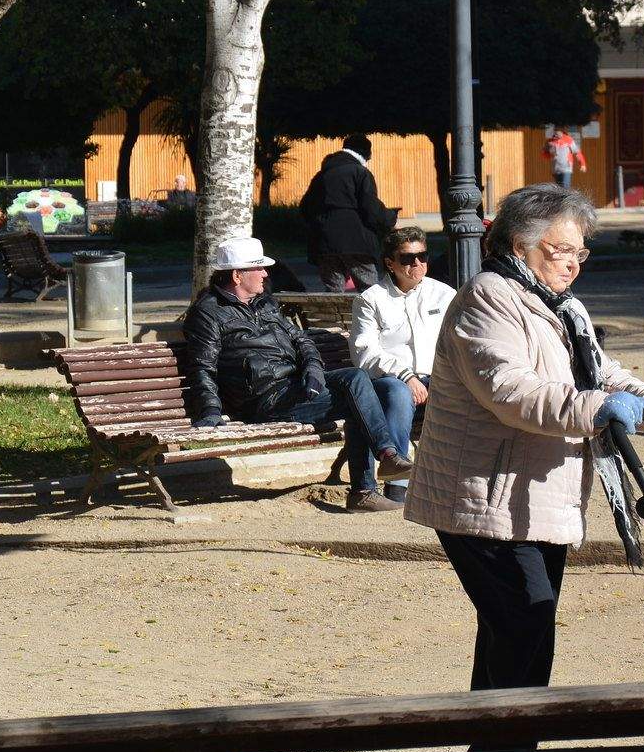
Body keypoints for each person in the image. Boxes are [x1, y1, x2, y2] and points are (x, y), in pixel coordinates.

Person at [405, 184, 644, 691]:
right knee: (524, 625)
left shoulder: (560, 305)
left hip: (536, 495)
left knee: (515, 630)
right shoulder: (488, 297)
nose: (574, 263)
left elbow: (598, 372)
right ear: (519, 245)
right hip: (483, 497)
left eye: (580, 251)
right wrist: (601, 408)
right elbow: (509, 390)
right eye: (561, 250)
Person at [185, 236, 410, 512]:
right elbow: (202, 367)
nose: (266, 273)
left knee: (356, 380)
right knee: (356, 389)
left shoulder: (264, 304)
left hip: (293, 388)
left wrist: (314, 371)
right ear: (236, 275)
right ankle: (382, 463)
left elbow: (302, 341)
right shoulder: (207, 314)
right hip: (261, 399)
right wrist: (210, 411)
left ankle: (372, 480)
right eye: (259, 268)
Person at [347, 225, 454, 504]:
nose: (417, 264)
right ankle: (398, 482)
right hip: (390, 378)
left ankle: (461, 480)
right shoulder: (371, 300)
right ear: (390, 263)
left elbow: (460, 341)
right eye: (407, 259)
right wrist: (406, 375)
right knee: (397, 394)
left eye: (422, 256)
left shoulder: (444, 294)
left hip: (438, 377)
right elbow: (365, 352)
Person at [299, 134, 395, 292]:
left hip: (324, 243)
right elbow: (370, 208)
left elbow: (305, 208)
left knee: (333, 293)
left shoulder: (321, 175)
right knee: (370, 292)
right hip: (356, 242)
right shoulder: (360, 172)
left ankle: (335, 318)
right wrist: (390, 218)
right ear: (366, 153)